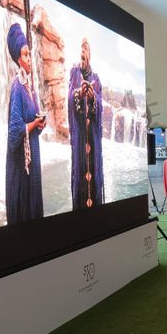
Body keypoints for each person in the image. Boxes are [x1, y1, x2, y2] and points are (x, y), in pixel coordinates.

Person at [4, 23, 45, 224]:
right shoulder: (17, 87)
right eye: (26, 55)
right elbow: (14, 133)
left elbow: (31, 119)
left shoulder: (30, 86)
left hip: (33, 157)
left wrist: (39, 124)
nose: (30, 59)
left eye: (30, 54)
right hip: (22, 166)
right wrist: (32, 124)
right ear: (19, 59)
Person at [67, 37, 104, 210]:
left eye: (86, 51)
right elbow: (69, 99)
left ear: (90, 54)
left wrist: (92, 96)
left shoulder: (96, 77)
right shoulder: (74, 72)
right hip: (80, 138)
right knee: (80, 178)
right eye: (82, 51)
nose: (84, 54)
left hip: (93, 141)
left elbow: (100, 104)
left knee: (94, 181)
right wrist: (79, 94)